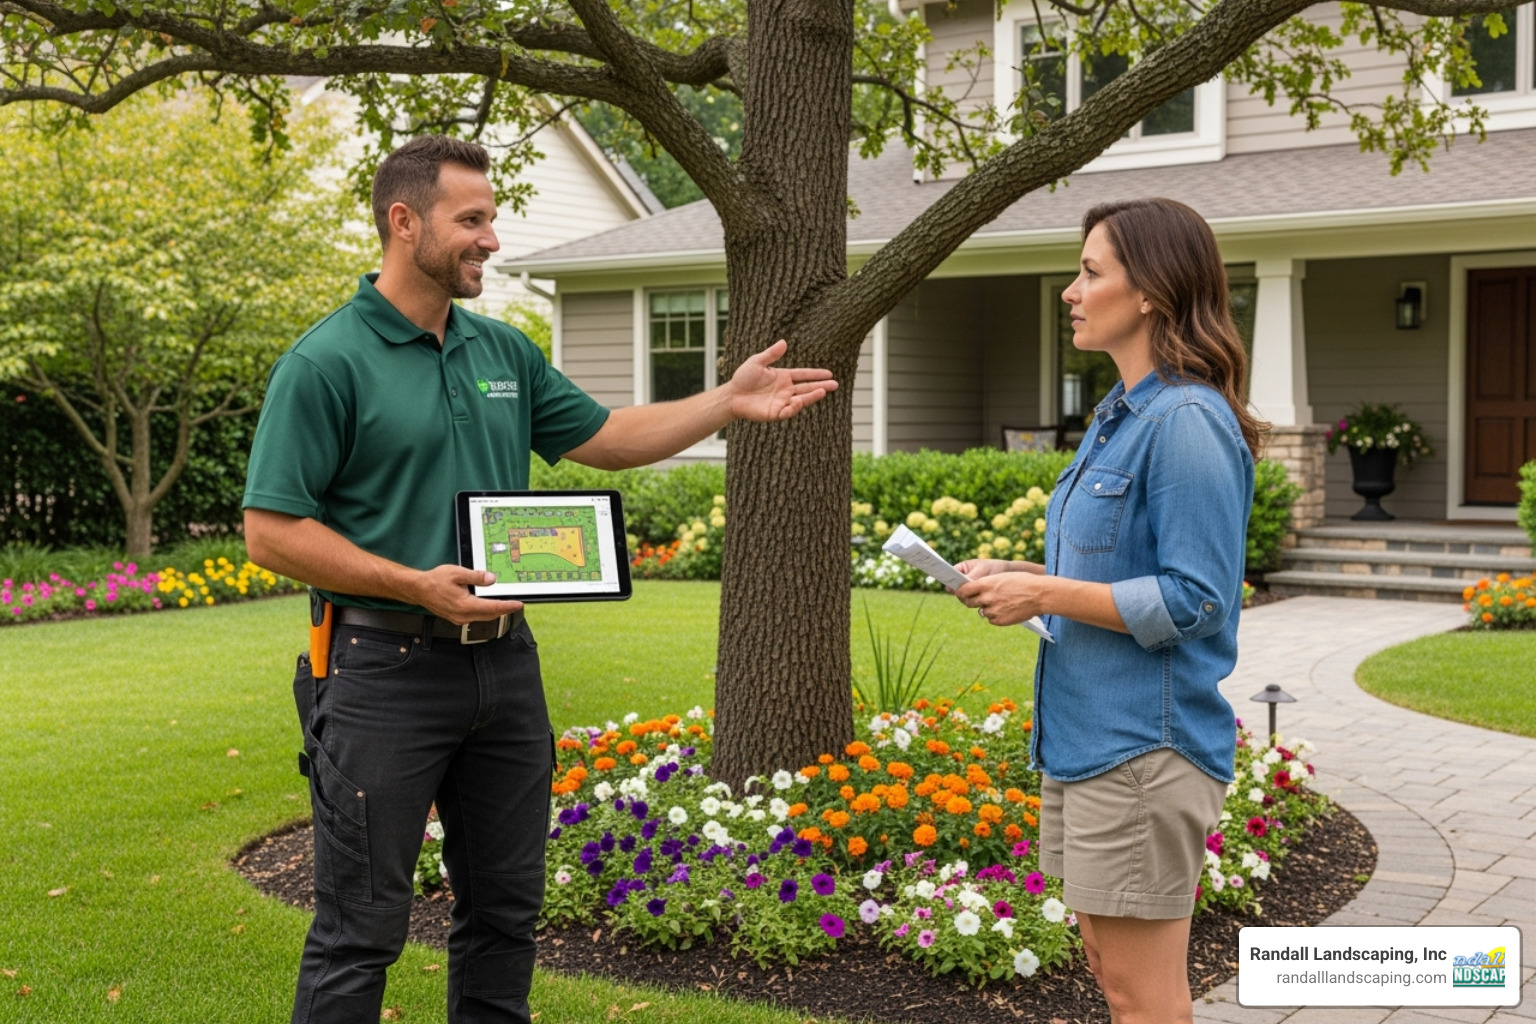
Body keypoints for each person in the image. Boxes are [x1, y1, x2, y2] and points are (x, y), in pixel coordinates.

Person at [241, 135, 836, 1024]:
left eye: (491, 219)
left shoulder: (501, 352)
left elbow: (607, 439)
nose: (490, 239)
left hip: (504, 669)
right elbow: (270, 532)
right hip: (381, 674)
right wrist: (413, 583)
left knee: (506, 916)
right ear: (404, 222)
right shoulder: (325, 363)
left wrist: (726, 400)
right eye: (471, 220)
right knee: (359, 931)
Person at [953, 197, 1262, 1024]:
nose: (1071, 291)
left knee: (1142, 998)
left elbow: (1196, 597)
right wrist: (1023, 574)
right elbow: (1122, 569)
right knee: (1111, 969)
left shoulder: (1186, 421)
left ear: (1151, 291)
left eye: (1091, 272)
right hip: (1090, 745)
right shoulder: (1122, 416)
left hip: (1142, 750)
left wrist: (1043, 594)